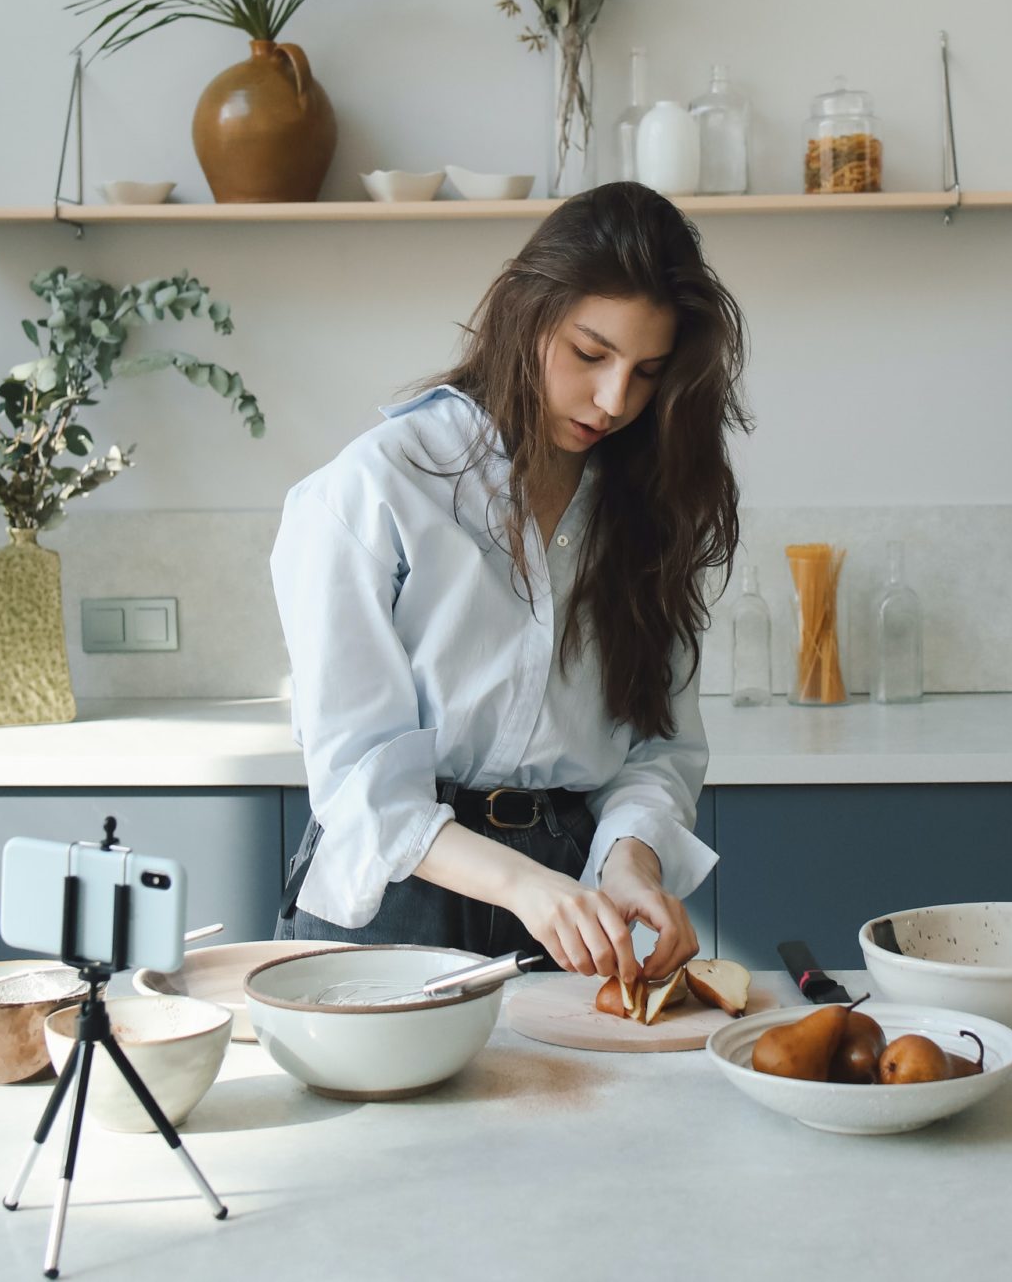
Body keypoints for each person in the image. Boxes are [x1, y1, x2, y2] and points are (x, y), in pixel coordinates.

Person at [270, 182, 749, 988]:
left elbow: (659, 748)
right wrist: (525, 887)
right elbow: (358, 781)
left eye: (647, 373)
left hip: (574, 893)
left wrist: (629, 860)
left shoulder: (647, 508)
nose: (614, 400)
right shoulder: (373, 491)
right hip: (400, 895)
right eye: (590, 355)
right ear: (525, 315)